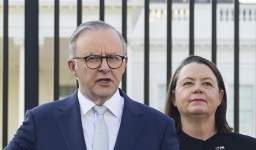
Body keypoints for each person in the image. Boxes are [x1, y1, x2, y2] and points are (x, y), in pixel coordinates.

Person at [4, 20, 179, 150]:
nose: (105, 68)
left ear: (124, 64)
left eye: (113, 58)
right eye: (93, 58)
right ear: (73, 67)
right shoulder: (41, 121)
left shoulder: (158, 126)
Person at [165, 55, 256, 150]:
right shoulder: (159, 146)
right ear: (173, 97)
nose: (197, 89)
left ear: (220, 97)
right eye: (188, 83)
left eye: (207, 83)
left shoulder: (251, 147)